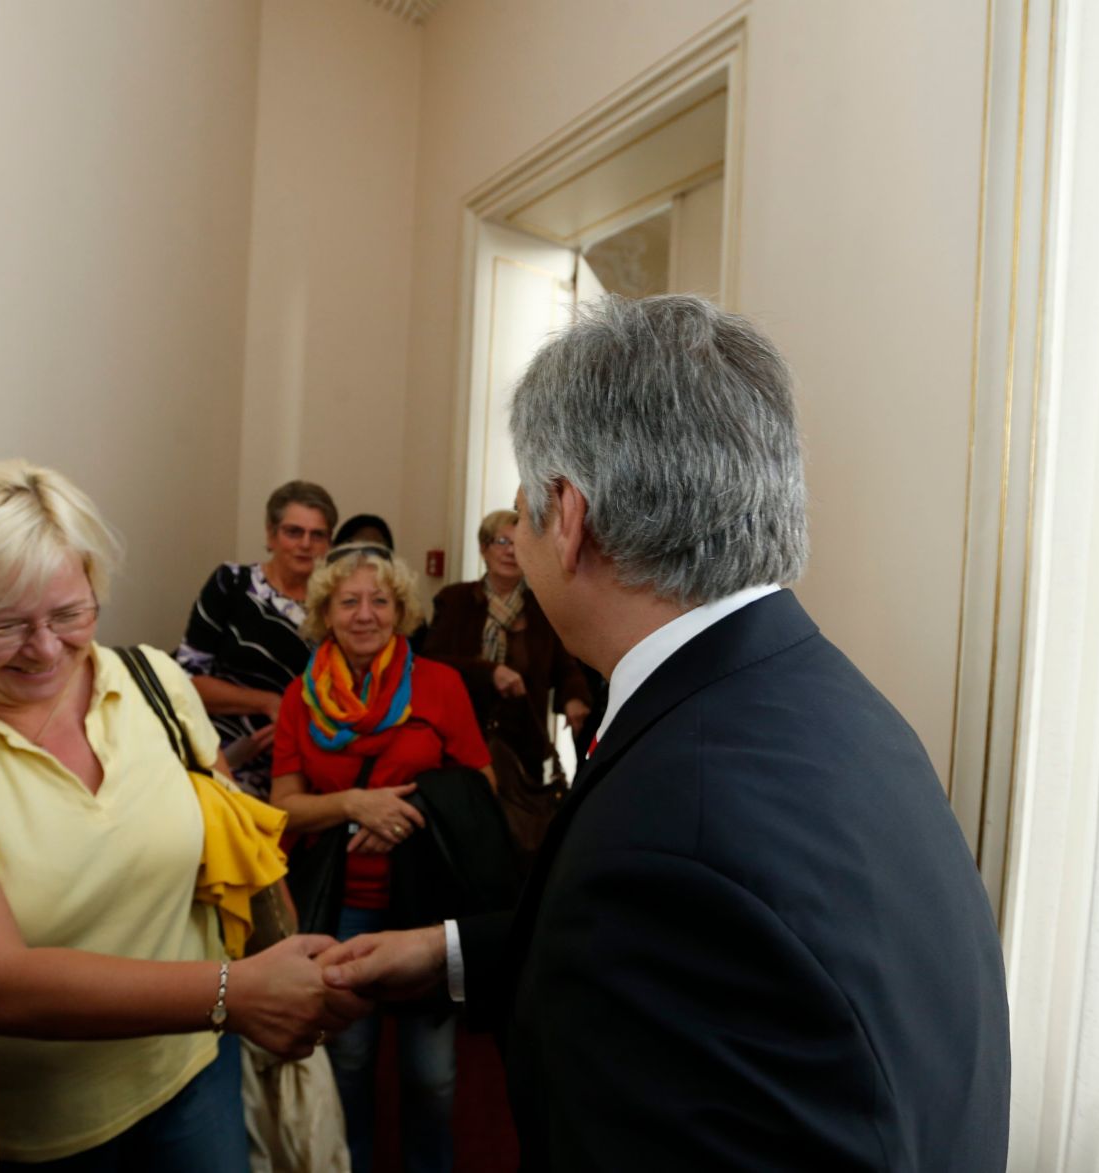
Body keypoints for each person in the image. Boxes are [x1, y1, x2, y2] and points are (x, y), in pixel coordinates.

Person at [318, 296, 1012, 1170]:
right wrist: (449, 951)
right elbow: (732, 953)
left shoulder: (671, 820)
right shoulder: (825, 698)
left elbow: (672, 904)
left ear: (567, 517)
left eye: (523, 501)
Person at [0, 460, 366, 1170]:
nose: (47, 648)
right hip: (48, 1120)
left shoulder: (153, 679)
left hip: (196, 1072)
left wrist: (284, 958)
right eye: (3, 625)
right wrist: (235, 994)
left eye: (69, 613)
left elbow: (235, 839)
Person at [267, 543, 492, 1173]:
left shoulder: (440, 685)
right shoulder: (299, 697)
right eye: (349, 602)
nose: (365, 614)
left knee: (433, 1076)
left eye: (380, 601)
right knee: (349, 1062)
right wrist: (355, 805)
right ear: (325, 615)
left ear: (401, 611)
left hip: (425, 904)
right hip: (343, 906)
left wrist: (405, 821)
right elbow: (283, 807)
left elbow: (481, 790)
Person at [178, 481, 338, 798]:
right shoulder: (232, 584)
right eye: (294, 532)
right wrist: (268, 703)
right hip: (210, 750)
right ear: (270, 535)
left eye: (317, 535)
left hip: (296, 766)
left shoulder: (335, 609)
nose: (305, 544)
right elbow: (184, 681)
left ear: (329, 543)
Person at [421, 508, 592, 793]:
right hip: (460, 739)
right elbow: (431, 662)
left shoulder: (543, 606)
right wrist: (490, 673)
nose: (510, 552)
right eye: (502, 542)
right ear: (483, 549)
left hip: (523, 744)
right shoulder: (455, 600)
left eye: (518, 544)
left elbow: (563, 666)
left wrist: (575, 697)